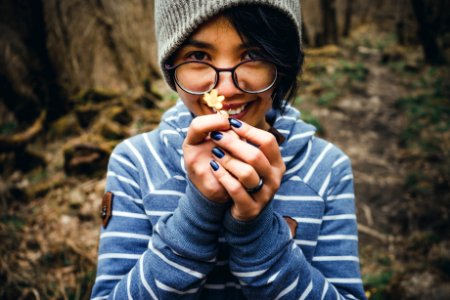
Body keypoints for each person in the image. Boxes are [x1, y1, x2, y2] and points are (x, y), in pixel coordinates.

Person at [91, 0, 366, 299]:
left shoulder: (327, 168)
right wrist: (197, 214)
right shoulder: (135, 163)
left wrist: (257, 232)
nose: (225, 88)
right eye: (198, 55)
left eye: (252, 54)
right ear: (171, 68)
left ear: (283, 62)